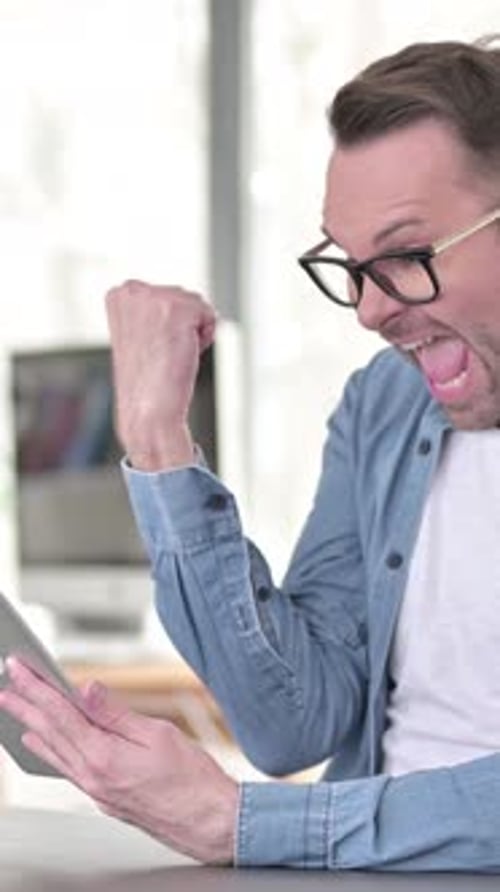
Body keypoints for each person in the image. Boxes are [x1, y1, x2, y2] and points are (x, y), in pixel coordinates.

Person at [2, 34, 500, 872]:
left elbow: (259, 803)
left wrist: (246, 823)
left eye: (407, 257)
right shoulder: (384, 405)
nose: (369, 314)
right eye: (351, 266)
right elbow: (291, 725)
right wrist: (159, 441)